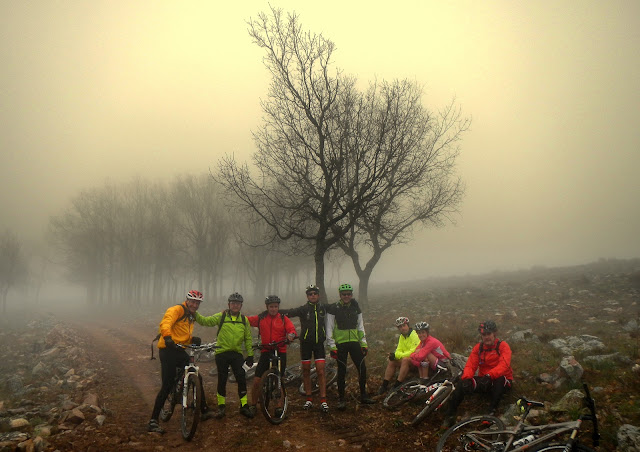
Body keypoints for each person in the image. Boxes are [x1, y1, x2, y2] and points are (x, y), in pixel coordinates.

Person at [148, 290, 213, 433]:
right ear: (187, 300)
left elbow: (182, 332)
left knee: (196, 375)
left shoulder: (192, 316)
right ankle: (153, 421)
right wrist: (167, 337)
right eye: (193, 301)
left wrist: (192, 339)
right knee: (167, 384)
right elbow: (166, 323)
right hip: (167, 349)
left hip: (179, 350)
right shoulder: (177, 309)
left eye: (197, 303)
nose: (195, 305)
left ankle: (204, 410)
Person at [442, 320, 513, 428]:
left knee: (500, 380)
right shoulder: (478, 348)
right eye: (483, 335)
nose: (486, 337)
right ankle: (450, 415)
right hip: (484, 380)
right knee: (461, 384)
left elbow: (504, 365)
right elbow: (471, 365)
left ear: (494, 333)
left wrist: (490, 375)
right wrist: (466, 378)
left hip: (502, 380)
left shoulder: (503, 346)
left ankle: (491, 413)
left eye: (488, 334)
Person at [194, 292, 254, 419]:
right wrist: (194, 312)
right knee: (222, 379)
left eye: (237, 304)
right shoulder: (222, 316)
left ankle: (244, 406)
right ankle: (221, 406)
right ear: (229, 304)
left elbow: (248, 339)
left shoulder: (244, 320)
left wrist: (250, 355)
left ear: (241, 305)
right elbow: (206, 321)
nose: (235, 306)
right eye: (233, 303)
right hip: (221, 353)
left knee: (241, 378)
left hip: (237, 354)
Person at [326, 283, 376, 410]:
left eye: (348, 294)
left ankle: (363, 396)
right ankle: (341, 399)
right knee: (342, 371)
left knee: (362, 368)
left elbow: (360, 326)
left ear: (351, 295)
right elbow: (329, 328)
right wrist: (332, 346)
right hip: (340, 344)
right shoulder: (334, 308)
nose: (346, 296)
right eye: (344, 294)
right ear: (340, 295)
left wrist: (363, 343)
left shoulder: (355, 307)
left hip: (354, 342)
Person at [280, 284, 330, 412]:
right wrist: (272, 310)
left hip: (319, 344)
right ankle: (309, 399)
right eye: (310, 294)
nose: (312, 295)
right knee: (306, 371)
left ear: (318, 295)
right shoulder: (303, 309)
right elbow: (289, 312)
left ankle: (323, 400)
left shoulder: (323, 308)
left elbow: (338, 309)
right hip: (306, 344)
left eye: (314, 293)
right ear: (307, 296)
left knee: (320, 371)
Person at [247, 295, 297, 417]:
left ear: (278, 307)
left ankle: (279, 406)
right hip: (266, 351)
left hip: (280, 351)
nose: (273, 309)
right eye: (271, 307)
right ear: (267, 307)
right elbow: (246, 320)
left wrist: (291, 335)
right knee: (257, 380)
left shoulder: (284, 318)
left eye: (275, 306)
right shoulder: (261, 318)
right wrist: (231, 314)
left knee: (279, 379)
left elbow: (291, 329)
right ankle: (253, 405)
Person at [376, 316, 421, 395]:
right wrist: (395, 356)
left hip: (417, 360)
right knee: (392, 361)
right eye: (400, 327)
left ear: (408, 325)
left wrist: (399, 355)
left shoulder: (415, 335)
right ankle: (384, 385)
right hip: (408, 359)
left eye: (404, 325)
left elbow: (413, 351)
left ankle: (397, 385)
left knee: (405, 360)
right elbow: (398, 349)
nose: (402, 328)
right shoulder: (402, 337)